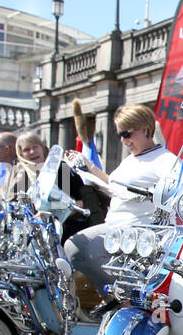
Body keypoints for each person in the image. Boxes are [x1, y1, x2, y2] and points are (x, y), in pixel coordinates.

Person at [63, 104, 176, 293]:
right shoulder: (131, 159)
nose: (124, 141)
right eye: (120, 135)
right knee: (73, 247)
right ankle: (110, 297)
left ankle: (128, 295)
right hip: (116, 224)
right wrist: (88, 166)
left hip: (140, 228)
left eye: (127, 134)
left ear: (145, 130)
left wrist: (155, 193)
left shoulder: (165, 160)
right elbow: (112, 185)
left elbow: (179, 190)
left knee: (95, 250)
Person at [6, 132, 86, 240]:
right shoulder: (19, 174)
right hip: (34, 234)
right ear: (21, 154)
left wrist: (52, 213)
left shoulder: (61, 167)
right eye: (26, 149)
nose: (32, 151)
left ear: (42, 147)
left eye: (35, 146)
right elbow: (13, 206)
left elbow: (80, 200)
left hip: (66, 228)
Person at [0, 131, 17, 199]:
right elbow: (0, 196)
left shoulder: (21, 169)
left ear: (7, 149)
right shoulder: (10, 167)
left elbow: (8, 198)